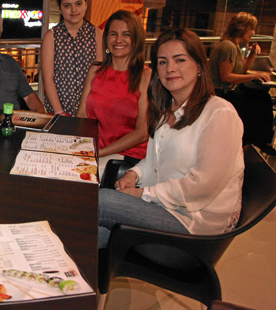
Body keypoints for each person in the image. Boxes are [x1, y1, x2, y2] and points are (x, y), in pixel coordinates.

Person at [98, 28, 244, 249]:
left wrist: (144, 193)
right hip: (165, 209)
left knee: (102, 201)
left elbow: (202, 185)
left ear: (199, 66)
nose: (170, 68)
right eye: (162, 62)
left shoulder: (219, 113)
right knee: (83, 234)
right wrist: (134, 174)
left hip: (194, 229)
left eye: (180, 60)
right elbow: (155, 162)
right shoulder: (166, 110)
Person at [77, 10, 150, 172]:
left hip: (127, 157)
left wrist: (100, 153)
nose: (118, 40)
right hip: (94, 151)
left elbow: (142, 133)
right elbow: (82, 115)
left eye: (126, 34)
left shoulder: (146, 76)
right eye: (113, 34)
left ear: (136, 39)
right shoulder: (95, 70)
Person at [209, 11, 274, 150]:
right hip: (222, 93)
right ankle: (256, 142)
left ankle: (257, 142)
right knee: (259, 102)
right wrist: (253, 77)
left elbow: (242, 69)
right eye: (251, 28)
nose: (253, 32)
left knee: (261, 98)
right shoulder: (228, 47)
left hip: (229, 91)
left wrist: (253, 53)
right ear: (242, 28)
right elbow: (226, 77)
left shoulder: (234, 46)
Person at [41, 0, 103, 116]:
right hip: (59, 109)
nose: (74, 10)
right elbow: (48, 78)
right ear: (60, 8)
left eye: (78, 4)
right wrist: (59, 112)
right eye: (67, 6)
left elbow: (99, 76)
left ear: (86, 5)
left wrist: (85, 110)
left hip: (89, 109)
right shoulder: (51, 36)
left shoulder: (96, 34)